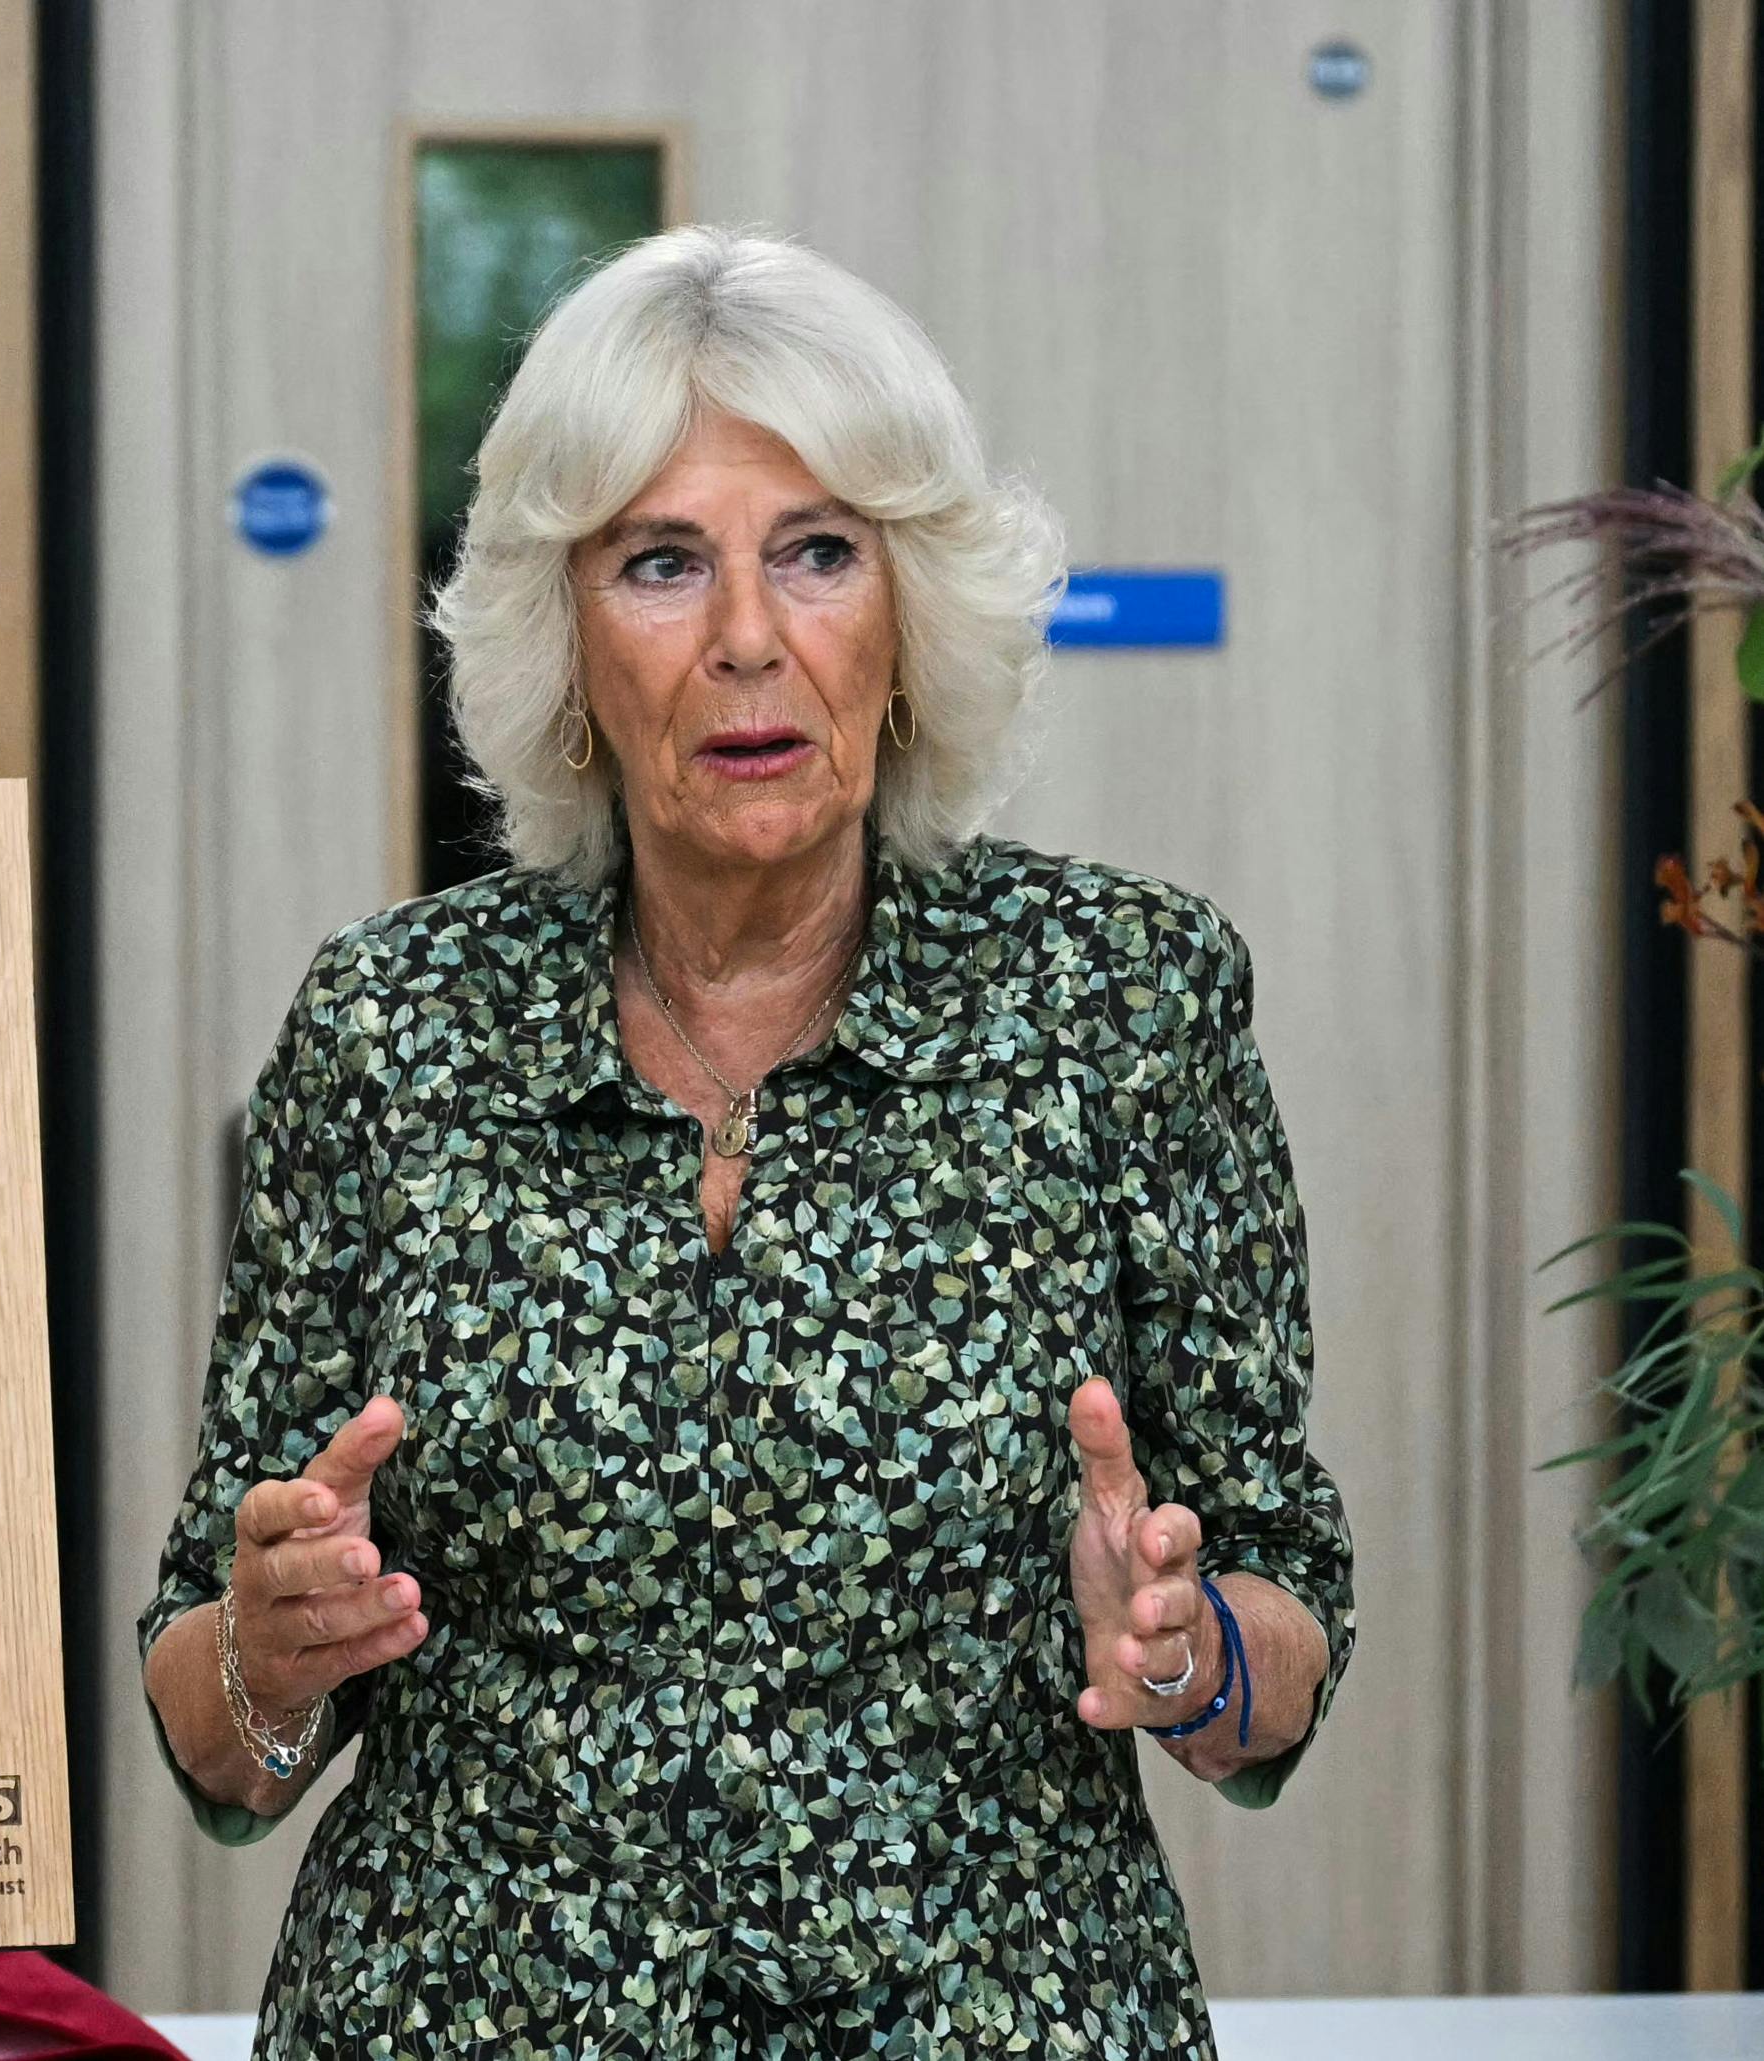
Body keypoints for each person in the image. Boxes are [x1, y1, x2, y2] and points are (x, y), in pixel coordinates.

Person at [135, 225, 1353, 2058]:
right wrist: (269, 1645)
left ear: (908, 614)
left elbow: (1282, 1604)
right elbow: (209, 1727)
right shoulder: (391, 1028)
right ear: (567, 644)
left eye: (815, 552)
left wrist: (1192, 1656)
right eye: (659, 563)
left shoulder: (1129, 1000)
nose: (745, 640)